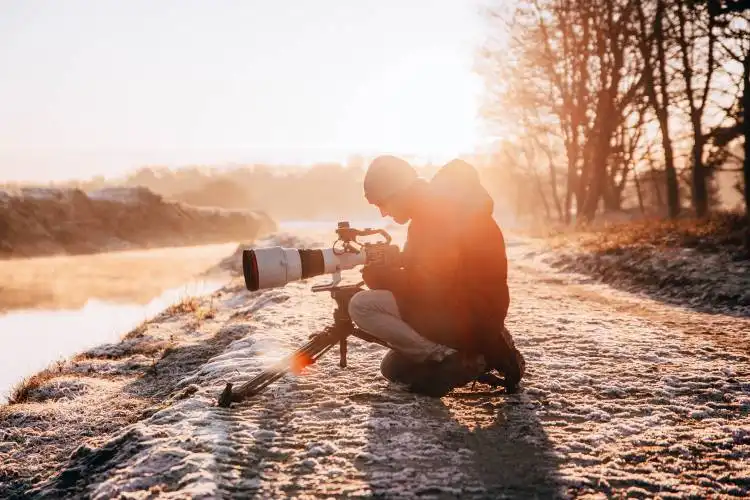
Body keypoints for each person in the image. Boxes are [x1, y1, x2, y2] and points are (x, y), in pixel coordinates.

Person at [348, 155, 525, 397]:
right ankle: (491, 347)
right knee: (394, 367)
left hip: (464, 313)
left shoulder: (434, 217)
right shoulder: (437, 209)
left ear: (398, 192)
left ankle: (451, 357)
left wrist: (384, 279)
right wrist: (399, 260)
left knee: (362, 306)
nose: (383, 214)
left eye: (382, 204)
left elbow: (431, 286)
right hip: (477, 309)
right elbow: (440, 268)